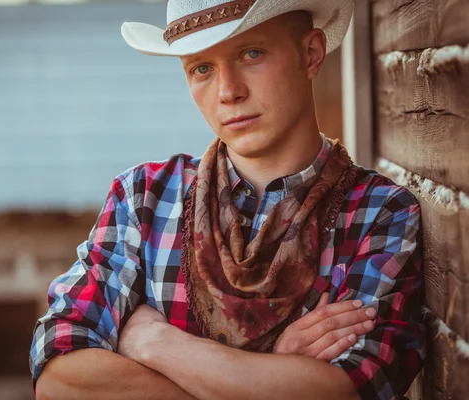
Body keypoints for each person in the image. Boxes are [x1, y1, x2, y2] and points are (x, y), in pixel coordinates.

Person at [30, 1, 425, 399]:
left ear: (311, 54)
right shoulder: (143, 198)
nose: (228, 92)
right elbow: (59, 379)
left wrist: (155, 342)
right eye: (202, 68)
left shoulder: (379, 212)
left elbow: (349, 391)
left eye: (251, 54)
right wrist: (273, 371)